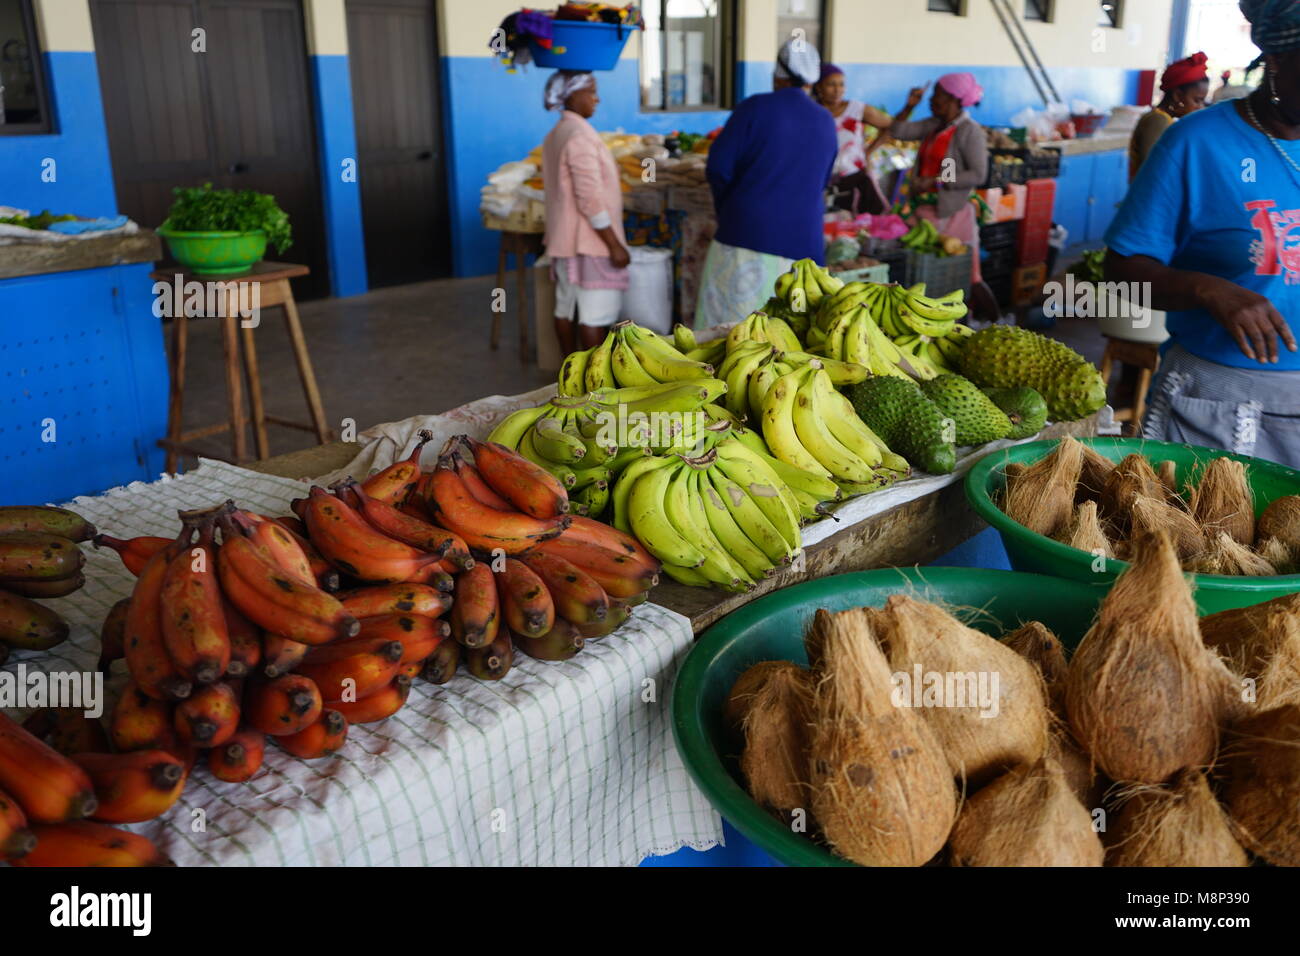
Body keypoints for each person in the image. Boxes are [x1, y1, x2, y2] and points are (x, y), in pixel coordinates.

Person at [1103, 0, 1300, 468]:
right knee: (1206, 534)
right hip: (1219, 405)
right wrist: (1207, 289)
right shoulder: (1195, 142)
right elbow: (1121, 271)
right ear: (1274, 59)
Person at [695, 38, 838, 329]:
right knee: (791, 338)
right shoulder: (825, 120)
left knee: (729, 336)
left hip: (746, 239)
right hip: (804, 247)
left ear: (778, 74)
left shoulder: (754, 108)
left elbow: (719, 168)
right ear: (811, 81)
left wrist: (730, 210)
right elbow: (821, 181)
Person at [887, 73, 995, 321]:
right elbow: (898, 130)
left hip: (952, 214)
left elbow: (978, 174)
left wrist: (939, 180)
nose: (932, 100)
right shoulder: (934, 125)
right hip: (924, 211)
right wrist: (909, 106)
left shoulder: (969, 132)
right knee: (927, 278)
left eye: (938, 95)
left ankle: (987, 320)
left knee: (963, 278)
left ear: (955, 100)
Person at [540, 71, 630, 355]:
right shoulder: (580, 136)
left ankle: (569, 376)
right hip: (590, 241)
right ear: (572, 95)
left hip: (566, 241)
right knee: (595, 316)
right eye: (591, 91)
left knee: (565, 307)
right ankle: (595, 385)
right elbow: (589, 197)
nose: (597, 98)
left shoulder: (557, 133)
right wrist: (613, 244)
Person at [813, 64, 925, 213]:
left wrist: (869, 151)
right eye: (831, 85)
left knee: (868, 223)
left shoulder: (857, 109)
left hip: (856, 179)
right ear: (819, 87)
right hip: (820, 181)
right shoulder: (811, 112)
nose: (837, 90)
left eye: (841, 84)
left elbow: (893, 126)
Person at [1129, 52, 1210, 180]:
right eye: (1197, 100)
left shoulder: (1168, 121)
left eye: (1202, 102)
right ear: (1177, 95)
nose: (1200, 107)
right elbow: (1155, 171)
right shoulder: (1157, 121)